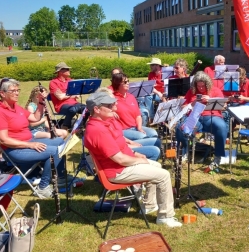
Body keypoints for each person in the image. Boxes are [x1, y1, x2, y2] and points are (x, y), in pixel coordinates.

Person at [84, 90, 181, 227]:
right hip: (117, 172)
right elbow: (120, 159)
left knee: (157, 167)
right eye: (109, 105)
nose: (114, 107)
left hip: (121, 166)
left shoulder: (105, 122)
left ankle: (149, 205)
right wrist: (141, 160)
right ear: (97, 109)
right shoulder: (97, 130)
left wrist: (135, 154)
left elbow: (121, 146)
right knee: (164, 175)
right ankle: (165, 217)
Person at [0, 78, 78, 198]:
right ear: (2, 93)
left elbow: (35, 118)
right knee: (55, 151)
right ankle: (43, 187)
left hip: (28, 141)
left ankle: (60, 177)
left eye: (17, 90)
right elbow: (4, 140)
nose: (17, 93)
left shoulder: (16, 107)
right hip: (15, 150)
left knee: (60, 141)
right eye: (13, 90)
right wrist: (31, 145)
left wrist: (41, 102)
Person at [175, 71, 228, 169]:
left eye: (203, 86)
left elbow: (224, 106)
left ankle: (218, 156)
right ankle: (185, 151)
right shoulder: (192, 91)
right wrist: (193, 102)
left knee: (221, 127)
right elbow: (183, 107)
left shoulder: (215, 90)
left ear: (207, 84)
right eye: (198, 86)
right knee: (180, 128)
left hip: (212, 116)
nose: (201, 88)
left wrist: (211, 99)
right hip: (195, 117)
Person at [111, 72, 161, 147]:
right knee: (143, 137)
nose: (128, 83)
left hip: (135, 127)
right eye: (125, 82)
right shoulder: (112, 99)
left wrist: (140, 128)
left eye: (128, 81)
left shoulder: (131, 97)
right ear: (118, 84)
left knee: (153, 133)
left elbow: (138, 115)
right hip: (123, 130)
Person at [49, 62, 86, 130]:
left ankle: (81, 126)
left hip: (74, 104)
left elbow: (75, 93)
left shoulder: (70, 80)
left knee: (87, 109)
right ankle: (65, 126)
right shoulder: (53, 82)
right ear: (60, 71)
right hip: (61, 106)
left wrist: (68, 94)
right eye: (67, 69)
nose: (69, 71)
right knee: (72, 109)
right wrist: (71, 94)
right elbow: (60, 97)